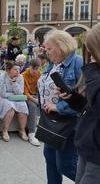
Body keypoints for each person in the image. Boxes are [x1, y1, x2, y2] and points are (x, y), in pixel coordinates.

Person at [37, 30, 82, 184]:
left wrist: (59, 107)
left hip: (69, 123)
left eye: (49, 49)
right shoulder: (54, 64)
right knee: (51, 162)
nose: (46, 52)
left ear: (61, 47)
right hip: (51, 122)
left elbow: (84, 97)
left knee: (66, 165)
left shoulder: (77, 62)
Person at [59, 24, 100, 184]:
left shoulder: (94, 73)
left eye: (92, 51)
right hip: (87, 149)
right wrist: (72, 98)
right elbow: (91, 108)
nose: (89, 57)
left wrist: (91, 69)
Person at [0, 61, 28, 142]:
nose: (18, 71)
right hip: (1, 97)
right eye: (15, 69)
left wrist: (14, 83)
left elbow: (20, 92)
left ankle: (22, 130)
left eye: (18, 69)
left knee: (23, 105)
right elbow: (2, 93)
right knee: (9, 107)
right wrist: (12, 95)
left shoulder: (20, 77)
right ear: (8, 70)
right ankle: (5, 130)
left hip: (14, 97)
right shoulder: (2, 77)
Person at [23, 58, 41, 146]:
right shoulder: (24, 75)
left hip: (36, 95)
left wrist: (41, 99)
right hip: (27, 96)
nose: (35, 71)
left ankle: (41, 130)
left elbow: (41, 88)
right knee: (33, 106)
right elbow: (25, 92)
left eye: (37, 69)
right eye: (33, 69)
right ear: (29, 67)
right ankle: (31, 133)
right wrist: (35, 100)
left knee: (44, 104)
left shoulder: (39, 74)